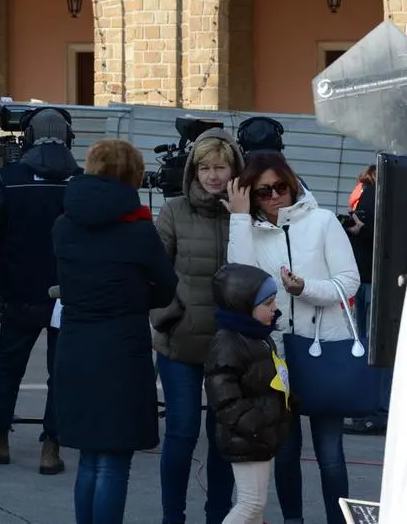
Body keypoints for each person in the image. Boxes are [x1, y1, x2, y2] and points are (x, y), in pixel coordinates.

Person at [223, 151, 360, 524]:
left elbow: (349, 282)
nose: (273, 197)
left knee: (330, 453)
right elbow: (239, 281)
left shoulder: (323, 221)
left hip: (323, 346)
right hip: (276, 352)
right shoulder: (247, 229)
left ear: (291, 182)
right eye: (262, 191)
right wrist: (238, 217)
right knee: (284, 450)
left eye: (279, 187)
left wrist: (304, 289)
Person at [53, 138, 178, 524]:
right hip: (122, 347)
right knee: (113, 461)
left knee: (89, 457)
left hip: (75, 343)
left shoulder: (62, 225)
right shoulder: (139, 232)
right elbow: (167, 287)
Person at [0, 109, 81, 475]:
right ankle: (51, 449)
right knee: (60, 372)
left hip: (17, 289)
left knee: (8, 369)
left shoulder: (7, 178)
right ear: (68, 139)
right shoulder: (80, 181)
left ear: (27, 138)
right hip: (67, 294)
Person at [151, 128, 244, 524]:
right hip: (180, 345)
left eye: (219, 167)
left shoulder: (246, 211)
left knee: (223, 439)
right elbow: (155, 272)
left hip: (231, 347)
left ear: (233, 169)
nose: (211, 175)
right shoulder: (174, 211)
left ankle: (218, 516)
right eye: (204, 167)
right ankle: (173, 516)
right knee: (182, 432)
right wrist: (168, 315)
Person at [205, 263, 292, 524]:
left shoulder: (260, 338)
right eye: (268, 303)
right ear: (243, 305)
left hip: (261, 435)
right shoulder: (228, 343)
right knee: (251, 504)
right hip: (246, 437)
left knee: (256, 508)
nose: (274, 308)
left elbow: (269, 381)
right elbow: (224, 399)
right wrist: (255, 424)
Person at [343, 164, 389, 434]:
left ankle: (374, 407)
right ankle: (375, 406)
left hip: (363, 278)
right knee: (370, 344)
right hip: (370, 279)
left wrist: (361, 229)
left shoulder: (365, 193)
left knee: (367, 344)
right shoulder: (380, 194)